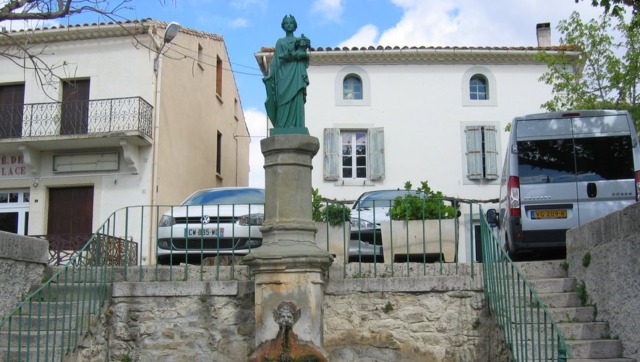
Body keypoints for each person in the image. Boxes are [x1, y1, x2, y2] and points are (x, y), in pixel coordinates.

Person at [263, 15, 310, 133]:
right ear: (283, 26)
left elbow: (305, 55)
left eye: (291, 23)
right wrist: (270, 75)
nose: (289, 25)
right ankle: (282, 126)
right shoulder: (280, 42)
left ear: (294, 25)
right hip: (283, 75)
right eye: (286, 23)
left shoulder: (299, 41)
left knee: (296, 98)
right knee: (282, 100)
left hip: (296, 73)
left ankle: (297, 125)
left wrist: (303, 55)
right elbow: (275, 61)